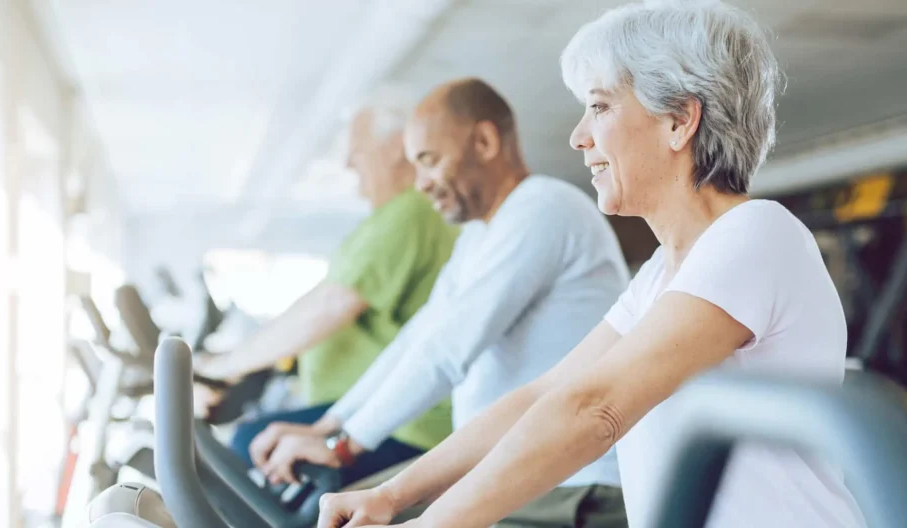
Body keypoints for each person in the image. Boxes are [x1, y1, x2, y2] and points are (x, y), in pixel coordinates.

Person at [314, 2, 867, 528]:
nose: (579, 137)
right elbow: (544, 395)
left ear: (679, 120)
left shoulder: (755, 234)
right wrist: (391, 497)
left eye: (600, 107)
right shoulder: (658, 275)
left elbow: (595, 410)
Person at [253, 78, 630, 527]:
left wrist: (345, 445)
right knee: (347, 507)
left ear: (485, 141)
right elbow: (421, 335)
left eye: (430, 161)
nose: (423, 183)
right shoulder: (478, 235)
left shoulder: (543, 209)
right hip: (505, 469)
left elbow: (447, 351)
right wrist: (328, 427)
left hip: (573, 483)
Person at [194, 103, 458, 487]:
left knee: (249, 446)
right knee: (251, 446)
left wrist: (224, 367)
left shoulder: (410, 214)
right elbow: (317, 301)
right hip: (359, 405)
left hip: (409, 424)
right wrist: (231, 363)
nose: (349, 164)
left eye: (357, 151)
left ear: (395, 147)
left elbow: (332, 306)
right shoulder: (386, 218)